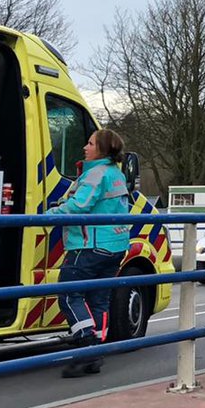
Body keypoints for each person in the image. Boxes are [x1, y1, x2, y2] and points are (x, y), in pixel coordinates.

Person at [50, 128, 131, 377]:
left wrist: (47, 215)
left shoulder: (95, 173)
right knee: (99, 300)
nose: (85, 147)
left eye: (90, 143)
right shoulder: (116, 174)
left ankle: (88, 345)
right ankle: (94, 355)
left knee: (68, 295)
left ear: (101, 149)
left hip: (88, 245)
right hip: (114, 246)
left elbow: (79, 205)